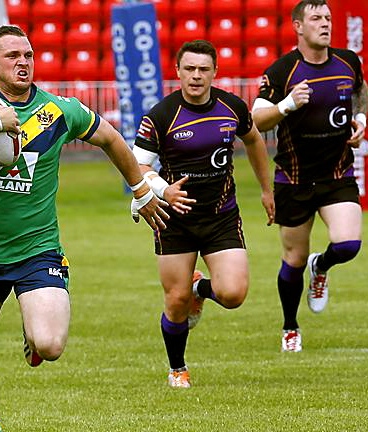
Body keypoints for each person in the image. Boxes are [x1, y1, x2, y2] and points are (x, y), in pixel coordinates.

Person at [0, 25, 168, 432]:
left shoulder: (59, 110)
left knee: (50, 345)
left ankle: (33, 330)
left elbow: (113, 139)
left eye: (28, 54)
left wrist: (141, 189)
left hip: (36, 251)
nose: (23, 62)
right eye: (12, 56)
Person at [132, 39, 275, 388]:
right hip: (173, 219)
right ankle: (177, 367)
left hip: (221, 216)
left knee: (233, 294)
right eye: (189, 69)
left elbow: (254, 140)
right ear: (178, 71)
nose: (196, 76)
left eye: (203, 69)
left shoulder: (232, 107)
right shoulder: (160, 116)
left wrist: (267, 189)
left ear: (214, 72)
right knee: (176, 300)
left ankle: (202, 289)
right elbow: (138, 167)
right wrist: (163, 189)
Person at [251, 0, 367, 353]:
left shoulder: (348, 61)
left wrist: (361, 121)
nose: (325, 23)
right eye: (316, 18)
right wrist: (287, 104)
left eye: (328, 18)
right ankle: (290, 327)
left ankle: (324, 264)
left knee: (348, 244)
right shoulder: (282, 71)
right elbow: (255, 120)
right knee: (293, 260)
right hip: (294, 178)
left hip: (336, 173)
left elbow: (360, 93)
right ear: (298, 26)